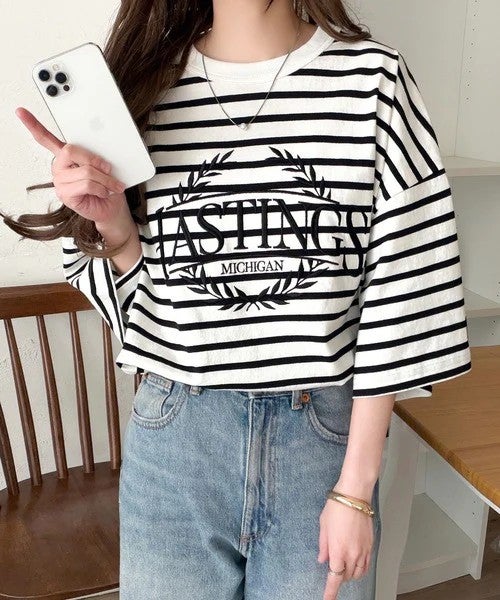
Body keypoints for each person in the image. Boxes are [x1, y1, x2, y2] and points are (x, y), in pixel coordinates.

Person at [7, 1, 472, 598]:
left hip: (320, 446)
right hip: (176, 435)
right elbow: (153, 307)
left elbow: (404, 284)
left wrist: (356, 488)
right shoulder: (145, 89)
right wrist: (116, 228)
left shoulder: (373, 79)